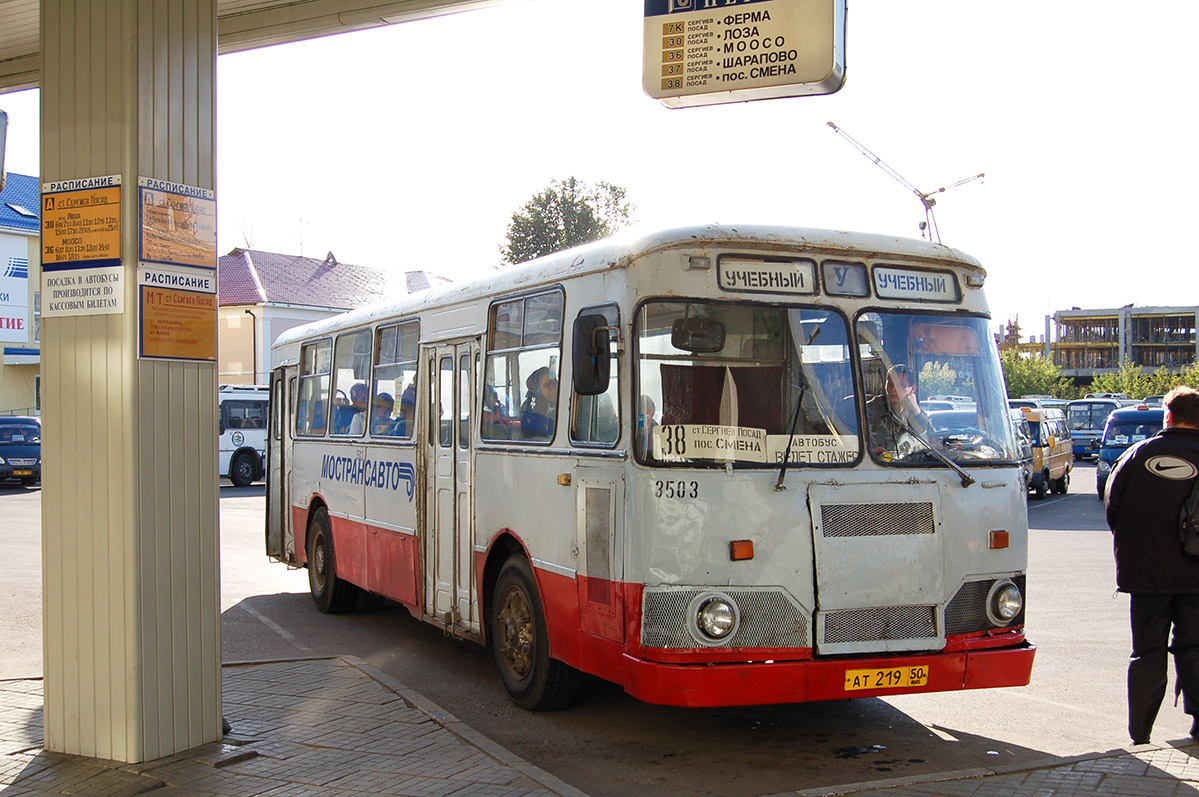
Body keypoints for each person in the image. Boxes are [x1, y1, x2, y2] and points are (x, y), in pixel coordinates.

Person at [1105, 385, 1199, 745]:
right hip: (1197, 576)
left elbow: (1113, 509)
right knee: (1195, 648)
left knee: (1147, 652)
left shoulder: (1137, 455)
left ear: (1169, 416)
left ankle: (1141, 734)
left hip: (1147, 576)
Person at [864, 364, 934, 458]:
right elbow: (890, 444)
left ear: (912, 389)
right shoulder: (872, 410)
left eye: (900, 385)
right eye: (890, 384)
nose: (893, 389)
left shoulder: (915, 413)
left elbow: (932, 440)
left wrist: (916, 410)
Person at [519, 366, 557, 440]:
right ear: (537, 389)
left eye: (554, 383)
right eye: (547, 385)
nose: (552, 388)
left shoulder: (560, 404)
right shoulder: (530, 411)